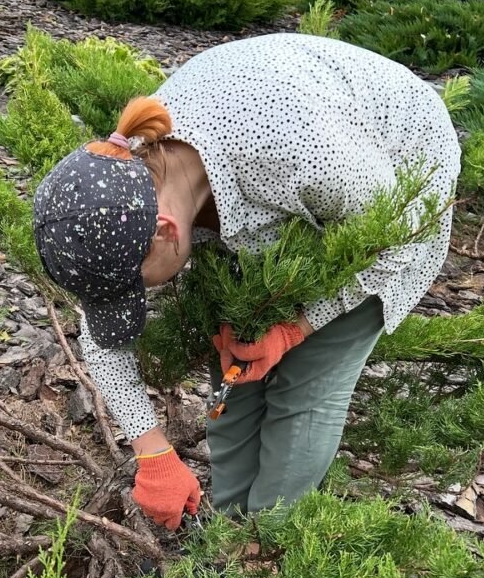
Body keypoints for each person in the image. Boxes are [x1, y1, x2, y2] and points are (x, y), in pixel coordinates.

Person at [31, 33, 461, 530]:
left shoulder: (299, 157)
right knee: (237, 370)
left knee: (304, 387)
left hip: (396, 174)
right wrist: (152, 452)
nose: (136, 298)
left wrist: (297, 328)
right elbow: (102, 339)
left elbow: (398, 234)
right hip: (286, 186)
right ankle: (228, 531)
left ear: (166, 232)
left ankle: (266, 546)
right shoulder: (123, 180)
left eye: (136, 286)